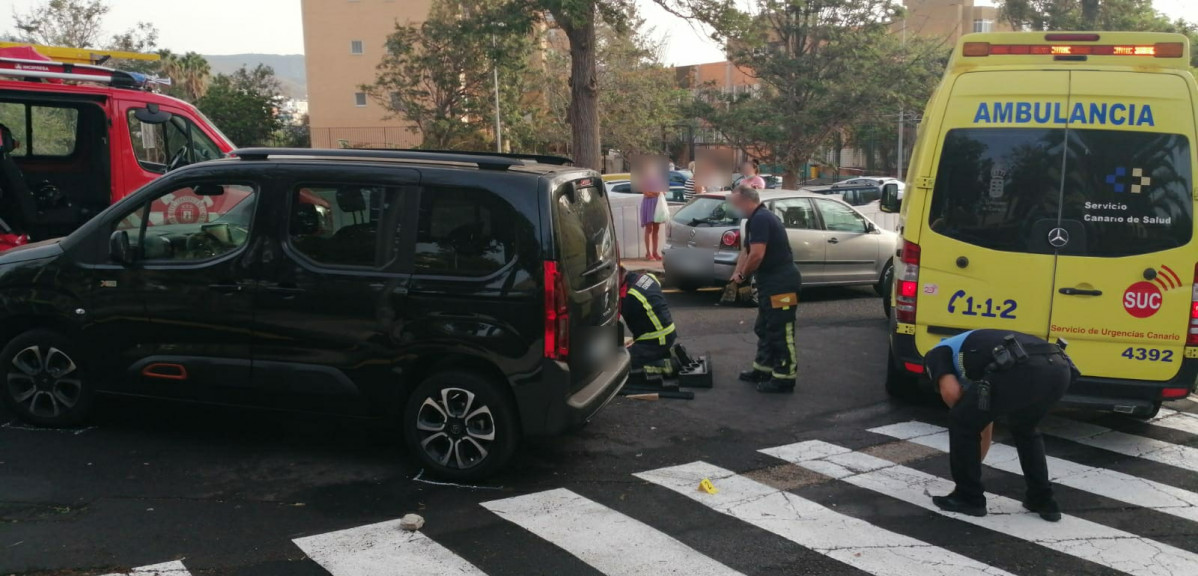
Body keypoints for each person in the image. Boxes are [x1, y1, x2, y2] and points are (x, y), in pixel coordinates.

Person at [924, 329, 1076, 521]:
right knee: (1026, 429)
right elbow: (982, 417)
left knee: (961, 420)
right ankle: (1043, 500)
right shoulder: (976, 349)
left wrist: (967, 450)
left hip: (1021, 367)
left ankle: (968, 497)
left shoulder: (936, 353)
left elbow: (952, 394)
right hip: (1059, 368)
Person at [730, 184, 801, 393]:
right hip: (770, 283)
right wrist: (737, 274)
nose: (734, 207)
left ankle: (785, 377)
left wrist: (744, 275)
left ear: (745, 201)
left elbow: (758, 254)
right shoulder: (754, 220)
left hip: (782, 284)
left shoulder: (762, 219)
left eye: (735, 203)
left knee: (781, 330)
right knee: (765, 327)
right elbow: (747, 250)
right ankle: (763, 369)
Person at [621, 268, 680, 380]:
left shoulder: (629, 296)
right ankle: (660, 355)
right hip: (668, 332)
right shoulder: (646, 277)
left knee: (621, 364)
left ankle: (667, 366)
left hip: (654, 341)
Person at [637, 164, 667, 261]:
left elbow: (663, 191)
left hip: (657, 205)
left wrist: (656, 191)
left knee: (656, 229)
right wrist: (656, 192)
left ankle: (655, 252)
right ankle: (648, 253)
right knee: (649, 228)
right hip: (648, 204)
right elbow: (646, 193)